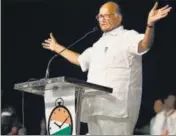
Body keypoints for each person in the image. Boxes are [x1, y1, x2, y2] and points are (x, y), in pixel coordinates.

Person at [42, 1, 172, 135]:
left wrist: (150, 25)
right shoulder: (98, 44)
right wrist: (57, 47)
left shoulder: (127, 36)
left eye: (106, 15)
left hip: (118, 111)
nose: (102, 19)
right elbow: (80, 60)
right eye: (99, 16)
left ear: (118, 17)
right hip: (95, 108)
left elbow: (145, 44)